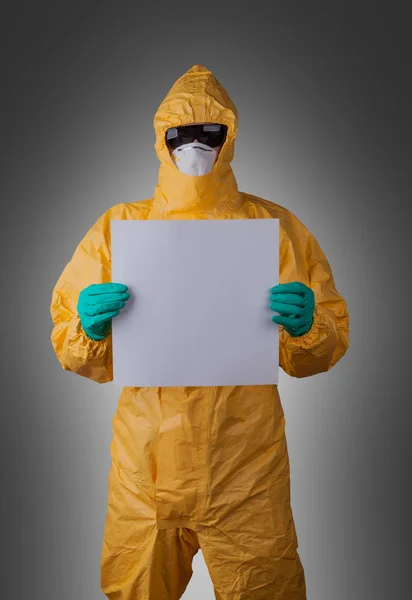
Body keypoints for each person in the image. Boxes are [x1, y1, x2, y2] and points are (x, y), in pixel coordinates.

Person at [50, 64, 349, 600]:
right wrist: (87, 327)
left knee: (268, 589)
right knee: (136, 589)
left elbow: (318, 352)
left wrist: (309, 328)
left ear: (229, 140)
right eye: (180, 135)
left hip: (246, 466)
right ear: (161, 142)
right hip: (147, 470)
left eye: (209, 134)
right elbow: (74, 352)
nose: (194, 145)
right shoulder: (120, 228)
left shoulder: (274, 228)